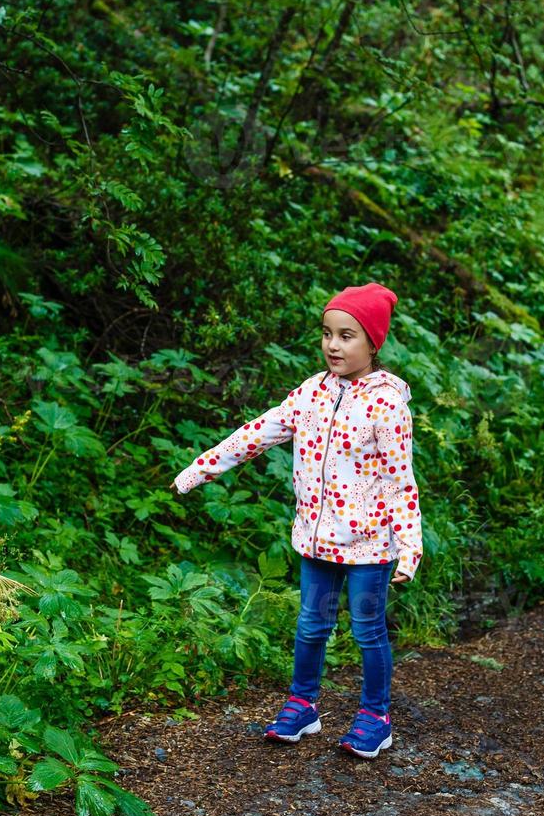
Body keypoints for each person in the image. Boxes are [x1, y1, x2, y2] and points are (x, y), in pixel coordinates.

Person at [172, 282, 422, 759]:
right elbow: (255, 434)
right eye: (327, 333)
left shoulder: (388, 404)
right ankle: (303, 704)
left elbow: (399, 480)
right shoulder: (310, 394)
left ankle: (376, 716)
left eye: (347, 336)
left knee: (367, 628)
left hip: (370, 544)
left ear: (373, 343)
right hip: (316, 538)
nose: (333, 344)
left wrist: (409, 547)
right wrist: (195, 472)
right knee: (311, 625)